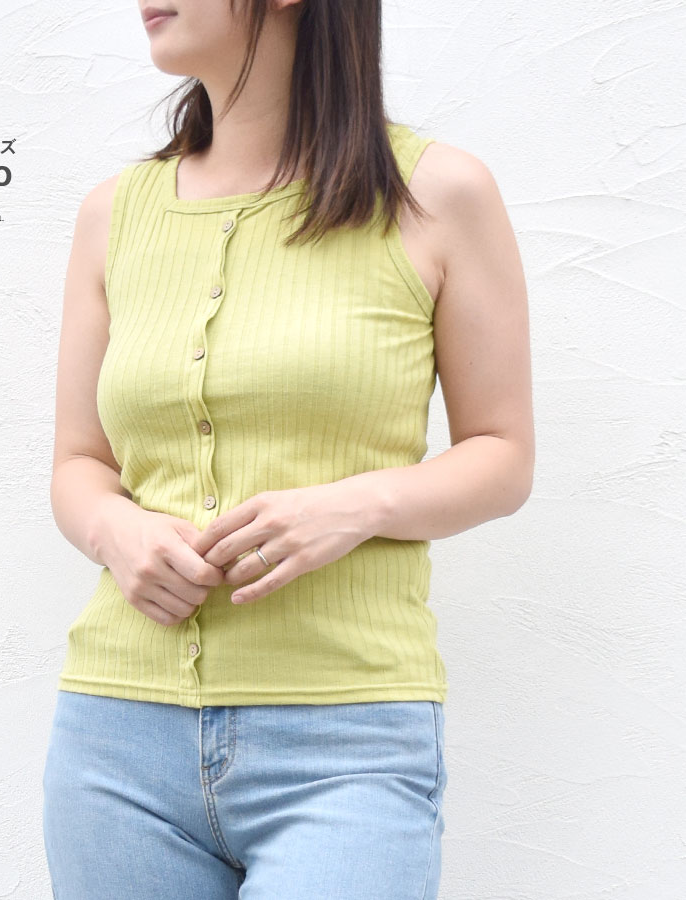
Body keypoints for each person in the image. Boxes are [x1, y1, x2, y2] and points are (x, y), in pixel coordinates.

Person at [42, 1, 534, 897]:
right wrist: (116, 531)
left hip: (347, 740)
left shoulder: (437, 193)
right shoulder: (113, 213)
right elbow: (79, 461)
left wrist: (355, 506)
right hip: (116, 740)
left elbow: (502, 455)